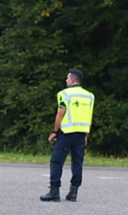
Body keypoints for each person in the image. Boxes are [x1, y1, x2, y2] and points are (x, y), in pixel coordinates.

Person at [40, 68, 95, 202]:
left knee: (56, 162)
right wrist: (86, 135)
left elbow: (61, 113)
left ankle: (54, 192)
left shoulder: (64, 94)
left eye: (67, 78)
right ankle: (73, 193)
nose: (66, 80)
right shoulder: (89, 96)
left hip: (66, 133)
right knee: (77, 163)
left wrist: (54, 131)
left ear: (73, 80)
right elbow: (88, 117)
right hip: (81, 134)